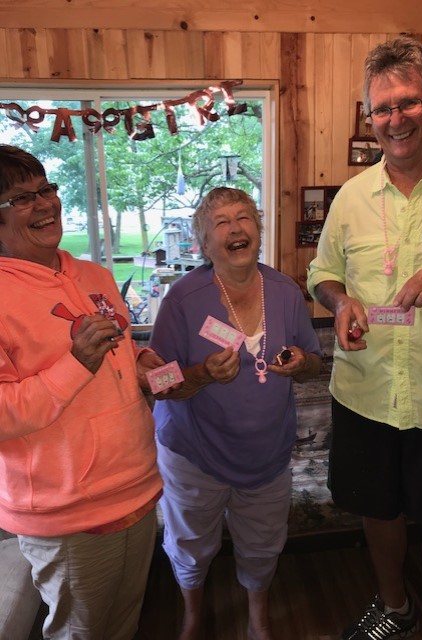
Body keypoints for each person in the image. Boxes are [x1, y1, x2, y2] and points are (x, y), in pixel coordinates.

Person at [307, 37, 422, 640]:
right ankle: (396, 608)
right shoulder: (352, 197)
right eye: (381, 108)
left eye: (408, 102)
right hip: (366, 393)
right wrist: (340, 301)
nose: (394, 119)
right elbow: (321, 273)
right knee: (377, 510)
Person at [0, 144, 168, 639]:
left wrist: (140, 362)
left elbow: (119, 353)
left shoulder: (94, 274)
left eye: (46, 189)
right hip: (66, 510)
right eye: (22, 198)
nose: (45, 204)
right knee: (82, 632)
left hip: (136, 482)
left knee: (124, 623)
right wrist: (77, 364)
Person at [149, 186, 322, 640]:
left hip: (266, 453)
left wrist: (302, 363)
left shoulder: (284, 291)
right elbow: (156, 381)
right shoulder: (183, 299)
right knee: (190, 544)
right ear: (205, 244)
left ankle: (257, 618)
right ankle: (192, 616)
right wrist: (201, 374)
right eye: (221, 222)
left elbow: (315, 361)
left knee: (263, 544)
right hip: (194, 454)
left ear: (258, 231)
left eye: (244, 217)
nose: (235, 228)